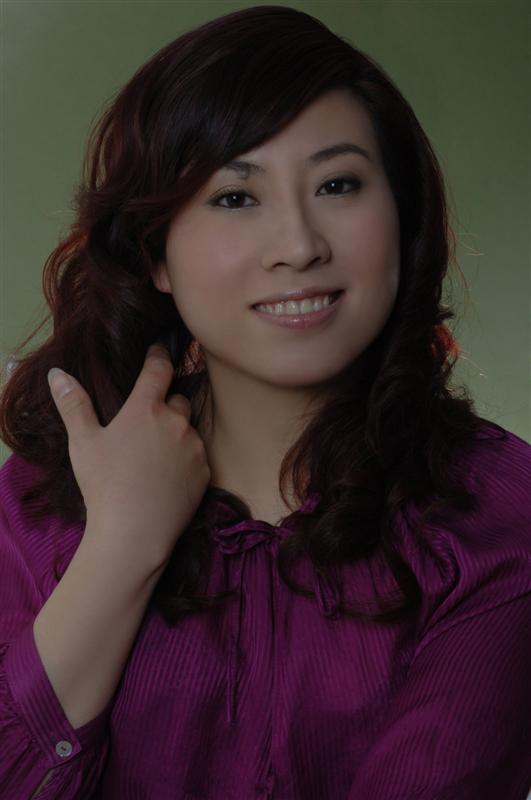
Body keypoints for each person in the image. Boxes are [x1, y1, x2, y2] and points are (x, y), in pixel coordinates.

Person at [0, 5, 530, 799]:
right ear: (155, 252)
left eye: (337, 185)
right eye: (234, 197)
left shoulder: (499, 518)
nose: (299, 245)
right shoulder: (39, 502)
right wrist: (123, 545)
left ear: (403, 218)